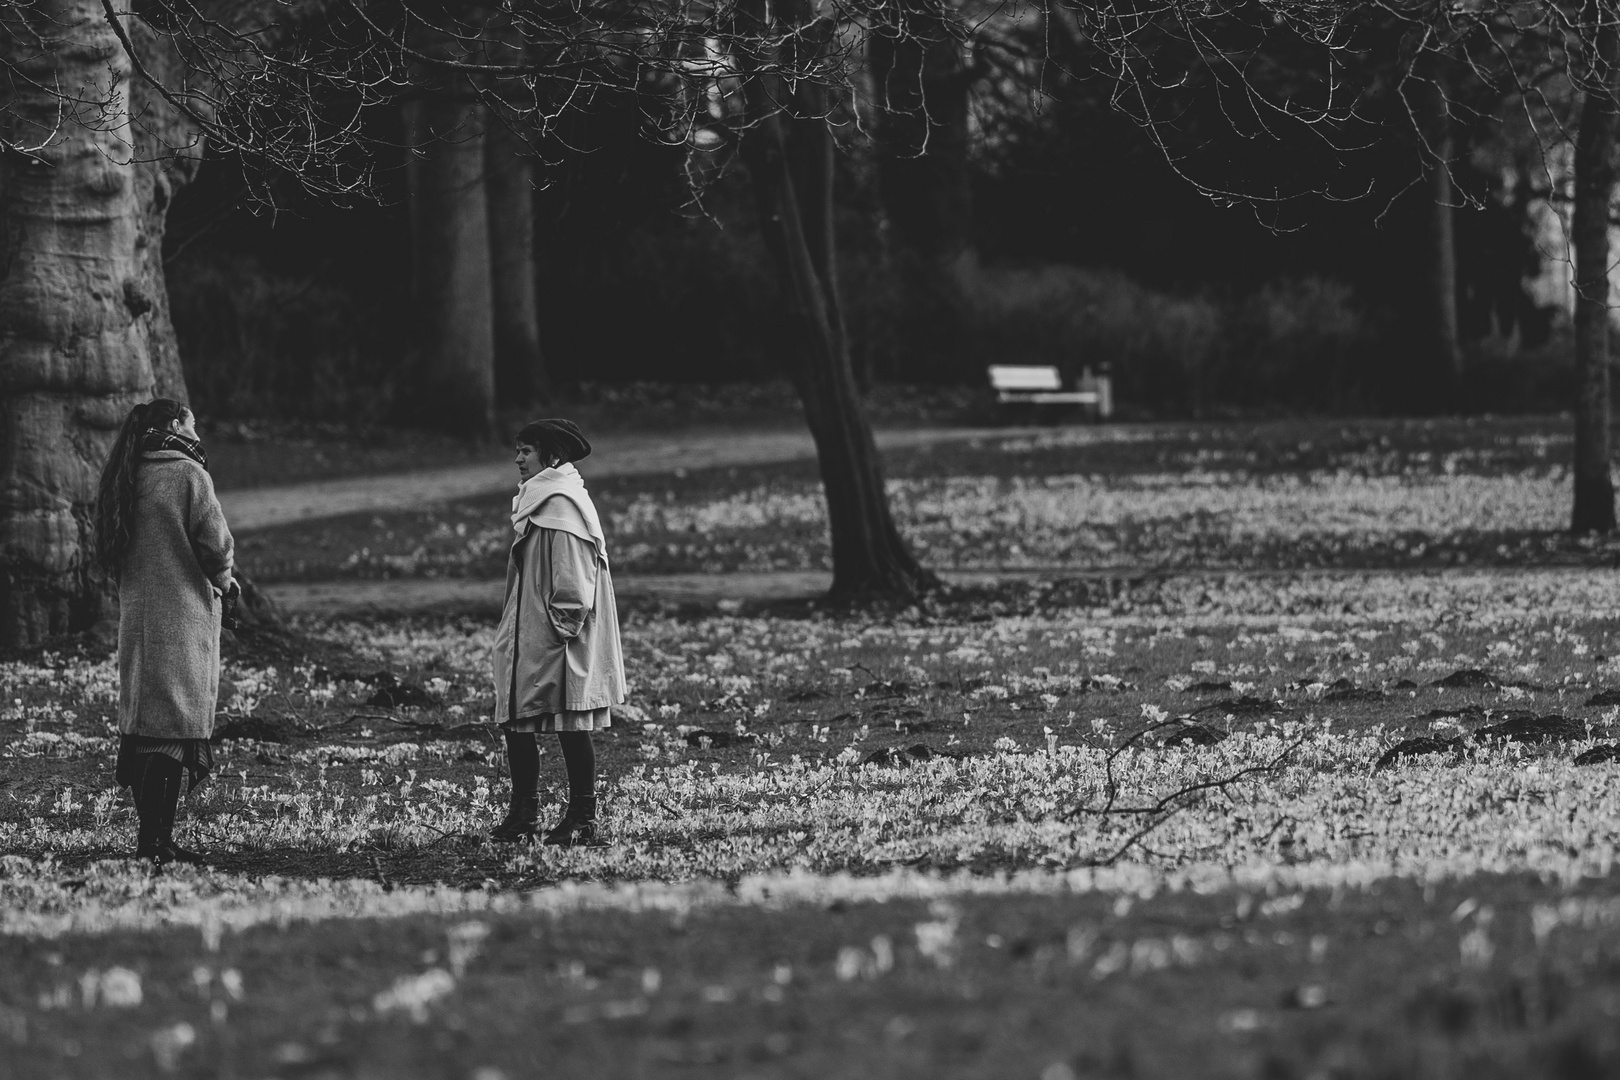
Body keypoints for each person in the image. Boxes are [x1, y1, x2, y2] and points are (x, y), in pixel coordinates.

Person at [93, 398, 236, 865]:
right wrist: (225, 580)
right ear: (177, 425)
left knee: (146, 728)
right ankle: (155, 842)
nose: (198, 432)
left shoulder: (128, 474)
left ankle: (154, 840)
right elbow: (215, 544)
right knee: (174, 726)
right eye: (193, 422)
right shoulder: (188, 474)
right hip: (181, 618)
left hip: (139, 618)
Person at [489, 418, 625, 845]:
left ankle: (583, 816)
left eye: (526, 451)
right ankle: (523, 813)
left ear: (550, 456)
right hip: (534, 629)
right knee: (517, 717)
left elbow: (572, 580)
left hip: (558, 635)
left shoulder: (561, 504)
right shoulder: (542, 499)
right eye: (518, 450)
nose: (517, 459)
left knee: (571, 720)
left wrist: (561, 629)